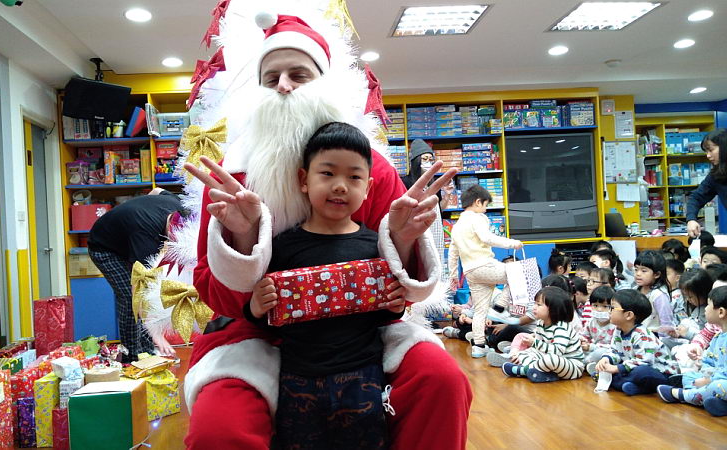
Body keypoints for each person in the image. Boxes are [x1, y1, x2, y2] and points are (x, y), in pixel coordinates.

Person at [179, 11, 472, 449]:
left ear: (325, 83)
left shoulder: (370, 171)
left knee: (442, 380)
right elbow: (210, 285)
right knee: (219, 428)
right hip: (255, 333)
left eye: (299, 74)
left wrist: (405, 244)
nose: (283, 86)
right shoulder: (232, 176)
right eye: (270, 78)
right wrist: (242, 245)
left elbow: (404, 283)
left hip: (360, 330)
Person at [245, 122, 418, 448]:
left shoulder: (376, 245)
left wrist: (395, 305)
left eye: (354, 177)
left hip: (362, 375)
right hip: (298, 377)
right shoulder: (282, 246)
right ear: (303, 180)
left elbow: (382, 315)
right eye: (327, 173)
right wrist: (256, 306)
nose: (340, 186)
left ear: (368, 187)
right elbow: (264, 319)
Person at [87, 189, 187, 361]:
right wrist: (156, 334)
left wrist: (139, 209)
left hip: (126, 239)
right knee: (128, 298)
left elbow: (156, 190)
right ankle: (131, 357)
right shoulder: (145, 238)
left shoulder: (177, 204)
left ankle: (147, 352)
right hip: (104, 248)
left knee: (151, 290)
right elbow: (138, 290)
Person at [451, 184, 523, 357]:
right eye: (485, 205)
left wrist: (453, 275)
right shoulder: (477, 218)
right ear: (478, 202)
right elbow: (487, 238)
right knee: (519, 273)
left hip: (470, 272)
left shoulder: (457, 226)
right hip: (484, 265)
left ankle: (479, 346)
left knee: (480, 311)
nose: (485, 209)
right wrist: (512, 243)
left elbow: (453, 253)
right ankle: (499, 308)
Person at [657, 285, 727, 416]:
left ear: (721, 312)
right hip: (714, 378)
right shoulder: (718, 336)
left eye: (708, 305)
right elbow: (709, 361)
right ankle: (716, 402)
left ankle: (683, 395)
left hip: (721, 381)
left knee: (719, 386)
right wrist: (704, 371)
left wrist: (709, 381)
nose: (705, 309)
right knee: (689, 376)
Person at [592, 289, 679, 395]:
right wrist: (606, 359)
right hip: (632, 367)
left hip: (659, 372)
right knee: (619, 368)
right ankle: (631, 386)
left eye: (613, 308)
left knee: (641, 372)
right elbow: (615, 351)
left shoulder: (642, 335)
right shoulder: (618, 329)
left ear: (628, 315)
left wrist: (616, 368)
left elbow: (645, 361)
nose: (609, 311)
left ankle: (616, 381)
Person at [501, 286, 584, 382]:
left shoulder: (561, 327)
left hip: (571, 365)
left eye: (539, 305)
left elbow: (557, 351)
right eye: (535, 303)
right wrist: (522, 354)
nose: (534, 307)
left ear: (553, 309)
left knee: (551, 359)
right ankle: (543, 374)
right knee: (526, 353)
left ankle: (523, 370)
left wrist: (534, 342)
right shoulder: (541, 322)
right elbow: (537, 349)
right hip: (550, 363)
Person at [685, 129, 727, 238]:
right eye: (706, 151)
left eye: (711, 150)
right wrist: (691, 219)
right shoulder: (716, 176)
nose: (708, 155)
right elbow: (696, 197)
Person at [633, 250, 674, 335]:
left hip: (653, 337)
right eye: (636, 269)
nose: (638, 274)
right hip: (636, 335)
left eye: (644, 271)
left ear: (656, 274)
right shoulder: (635, 289)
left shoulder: (659, 295)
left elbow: (666, 324)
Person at [580, 285, 617, 364]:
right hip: (592, 349)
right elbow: (585, 336)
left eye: (605, 306)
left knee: (599, 353)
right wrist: (583, 341)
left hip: (608, 352)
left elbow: (614, 346)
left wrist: (591, 347)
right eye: (595, 305)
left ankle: (587, 364)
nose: (599, 310)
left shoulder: (615, 325)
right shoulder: (591, 321)